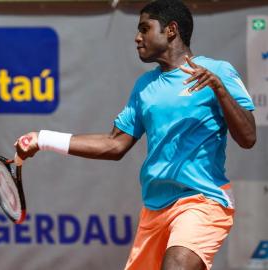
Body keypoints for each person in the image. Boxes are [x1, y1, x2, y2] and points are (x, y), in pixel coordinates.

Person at [14, 0, 256, 269]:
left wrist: (219, 90)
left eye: (145, 28)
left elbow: (248, 138)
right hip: (155, 208)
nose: (137, 37)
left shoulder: (217, 72)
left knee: (177, 265)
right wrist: (43, 138)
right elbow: (114, 144)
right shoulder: (145, 87)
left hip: (203, 200)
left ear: (171, 30)